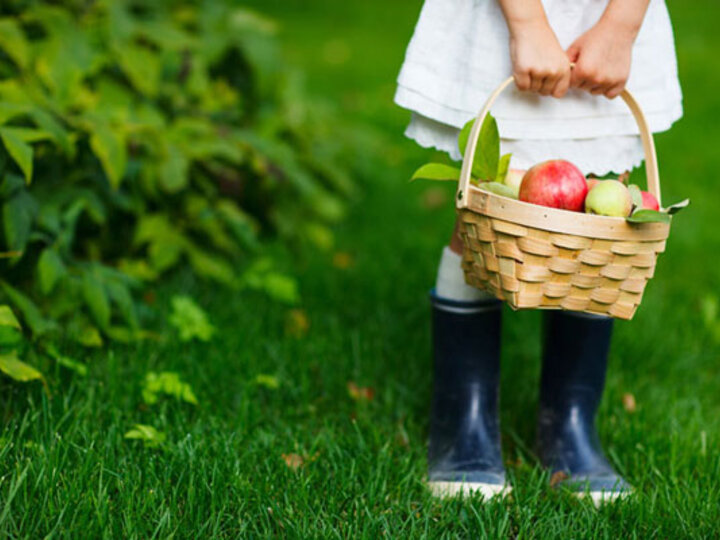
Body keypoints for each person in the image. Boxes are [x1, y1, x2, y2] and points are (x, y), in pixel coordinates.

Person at [395, 0, 682, 503]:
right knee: (487, 219)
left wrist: (620, 24)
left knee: (597, 223)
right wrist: (526, 21)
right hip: (507, 17)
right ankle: (463, 420)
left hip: (607, 22)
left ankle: (568, 425)